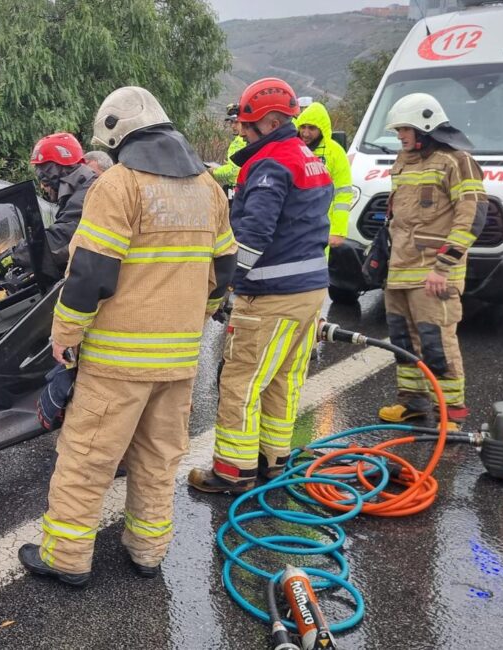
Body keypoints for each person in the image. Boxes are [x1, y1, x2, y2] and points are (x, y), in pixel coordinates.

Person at [18, 86, 237, 585]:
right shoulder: (208, 188)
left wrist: (65, 334)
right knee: (159, 459)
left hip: (117, 362)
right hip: (179, 362)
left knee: (87, 459)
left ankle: (67, 557)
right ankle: (147, 552)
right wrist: (198, 317)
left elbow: (90, 272)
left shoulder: (118, 185)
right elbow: (225, 269)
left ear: (116, 138)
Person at [188, 78, 332, 495]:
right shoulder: (308, 157)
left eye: (246, 126)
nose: (241, 132)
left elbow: (252, 237)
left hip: (272, 295)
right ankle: (274, 460)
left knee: (241, 383)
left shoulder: (270, 164)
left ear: (269, 122)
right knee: (282, 380)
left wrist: (223, 288)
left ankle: (232, 471)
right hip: (310, 292)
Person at [376, 93, 485, 427]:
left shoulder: (456, 161)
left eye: (404, 129)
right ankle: (413, 403)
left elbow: (473, 215)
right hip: (399, 269)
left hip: (433, 273)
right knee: (403, 340)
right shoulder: (404, 160)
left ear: (425, 126)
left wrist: (443, 267)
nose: (400, 136)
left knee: (436, 342)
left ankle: (450, 412)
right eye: (398, 130)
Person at [0, 133, 98, 287]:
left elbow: (60, 239)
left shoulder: (87, 194)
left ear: (55, 175)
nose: (42, 186)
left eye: (44, 179)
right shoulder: (84, 189)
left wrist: (10, 258)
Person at [296, 101, 353, 248]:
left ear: (322, 129)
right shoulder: (293, 149)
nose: (305, 133)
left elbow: (343, 193)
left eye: (312, 128)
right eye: (303, 127)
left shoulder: (335, 152)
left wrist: (338, 231)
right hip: (293, 226)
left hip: (322, 228)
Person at [211, 103, 245, 189]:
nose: (233, 126)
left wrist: (214, 171)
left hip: (237, 188)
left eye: (236, 122)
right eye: (231, 122)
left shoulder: (240, 141)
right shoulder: (247, 139)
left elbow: (233, 171)